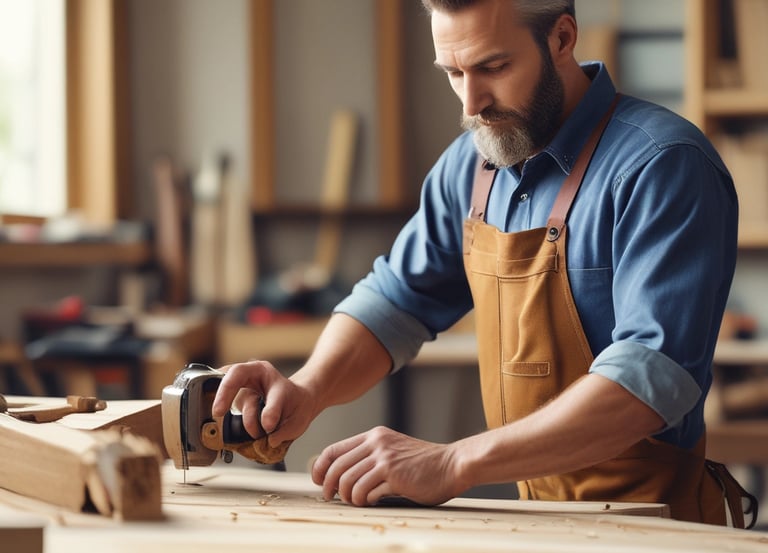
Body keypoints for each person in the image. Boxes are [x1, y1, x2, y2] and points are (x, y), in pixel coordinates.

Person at [213, 0, 754, 527]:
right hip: (529, 519)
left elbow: (648, 381)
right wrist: (308, 389)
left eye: (493, 67)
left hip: (654, 526)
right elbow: (394, 301)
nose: (471, 103)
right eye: (453, 72)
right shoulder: (469, 166)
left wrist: (452, 463)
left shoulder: (661, 166)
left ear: (562, 39)